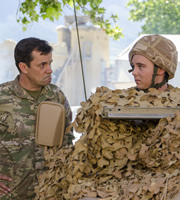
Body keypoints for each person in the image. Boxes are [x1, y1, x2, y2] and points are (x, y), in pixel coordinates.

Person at [0, 37, 74, 199]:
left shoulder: (57, 96)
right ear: (23, 67)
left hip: (50, 192)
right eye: (42, 65)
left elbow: (68, 137)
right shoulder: (2, 97)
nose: (49, 70)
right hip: (11, 193)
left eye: (50, 63)